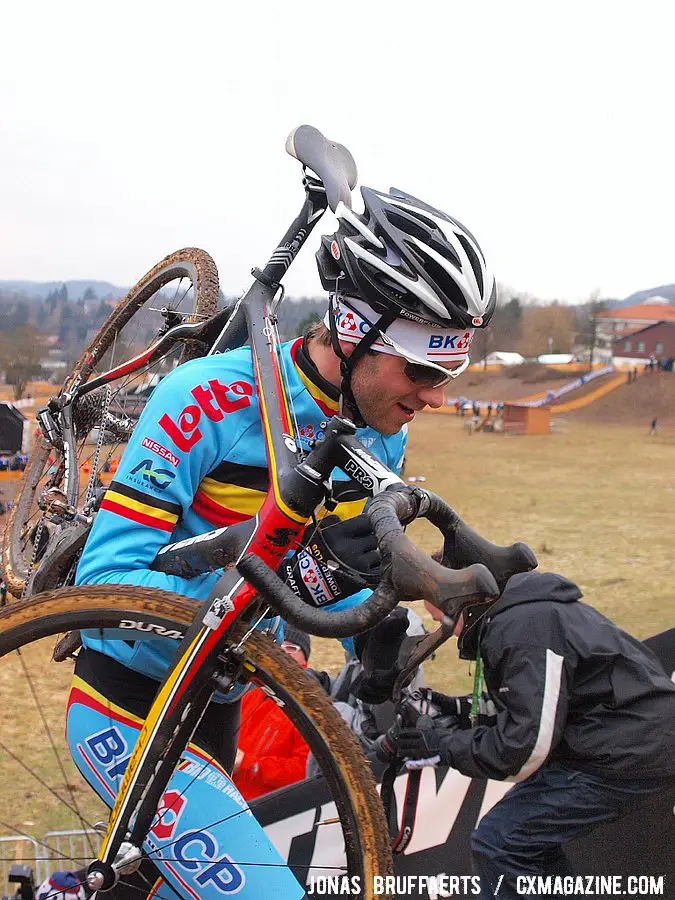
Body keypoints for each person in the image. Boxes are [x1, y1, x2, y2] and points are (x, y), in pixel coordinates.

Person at [66, 186, 496, 898]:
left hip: (222, 702)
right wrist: (289, 585)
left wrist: (391, 646)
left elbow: (342, 565)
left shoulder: (381, 428)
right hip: (132, 701)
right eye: (421, 370)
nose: (435, 397)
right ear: (353, 330)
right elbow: (104, 593)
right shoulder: (207, 399)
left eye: (450, 373)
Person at [380, 570, 675, 900]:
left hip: (627, 750)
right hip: (619, 739)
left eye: (447, 620)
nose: (449, 633)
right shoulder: (522, 614)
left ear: (465, 603)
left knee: (499, 843)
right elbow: (534, 702)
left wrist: (441, 745)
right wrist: (455, 709)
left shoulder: (521, 631)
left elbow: (522, 750)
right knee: (527, 846)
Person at [233, 625, 313, 800]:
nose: (283, 652)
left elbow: (302, 772)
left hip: (266, 809)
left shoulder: (309, 708)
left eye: (292, 648)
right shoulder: (251, 694)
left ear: (304, 659)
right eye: (279, 646)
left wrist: (248, 764)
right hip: (230, 796)